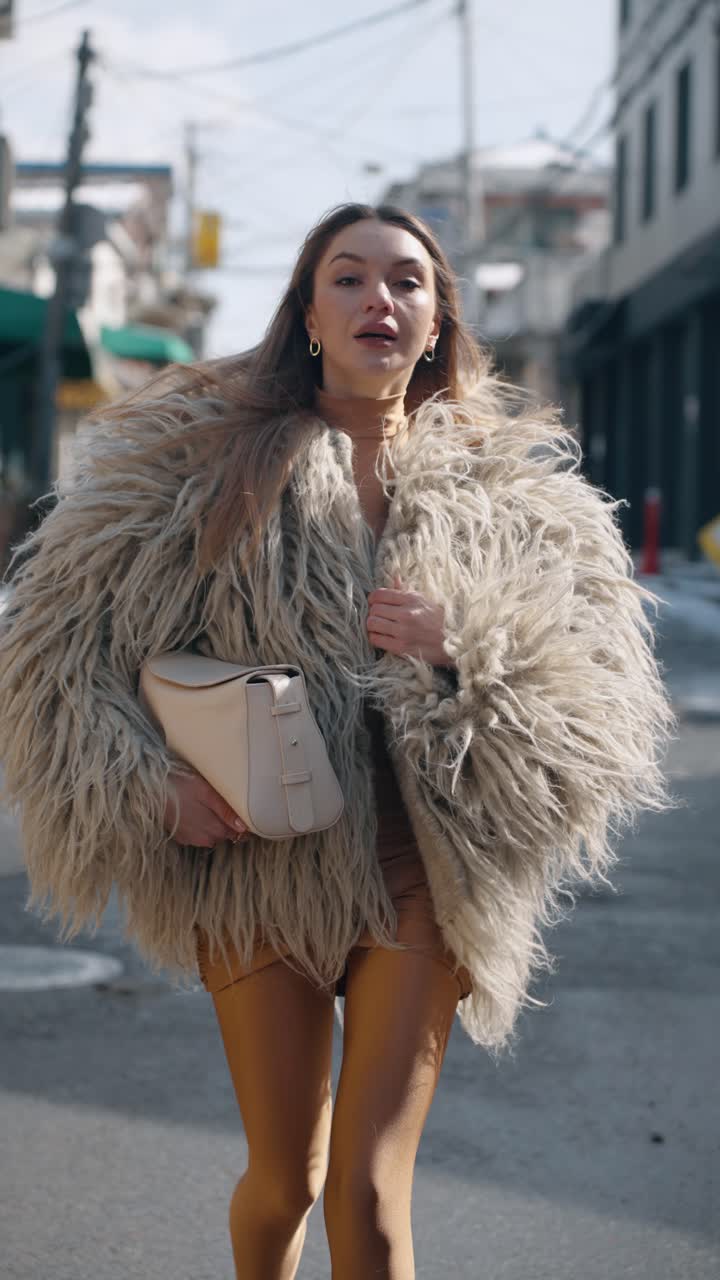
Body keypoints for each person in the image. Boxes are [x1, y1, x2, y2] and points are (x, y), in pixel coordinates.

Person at [0, 203, 676, 1278]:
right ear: (310, 312)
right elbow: (55, 647)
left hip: (428, 868)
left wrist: (471, 643)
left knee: (368, 1182)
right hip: (263, 857)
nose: (379, 299)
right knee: (288, 1178)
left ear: (438, 315)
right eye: (350, 278)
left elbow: (602, 696)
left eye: (406, 281)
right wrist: (148, 784)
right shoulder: (199, 464)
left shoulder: (513, 492)